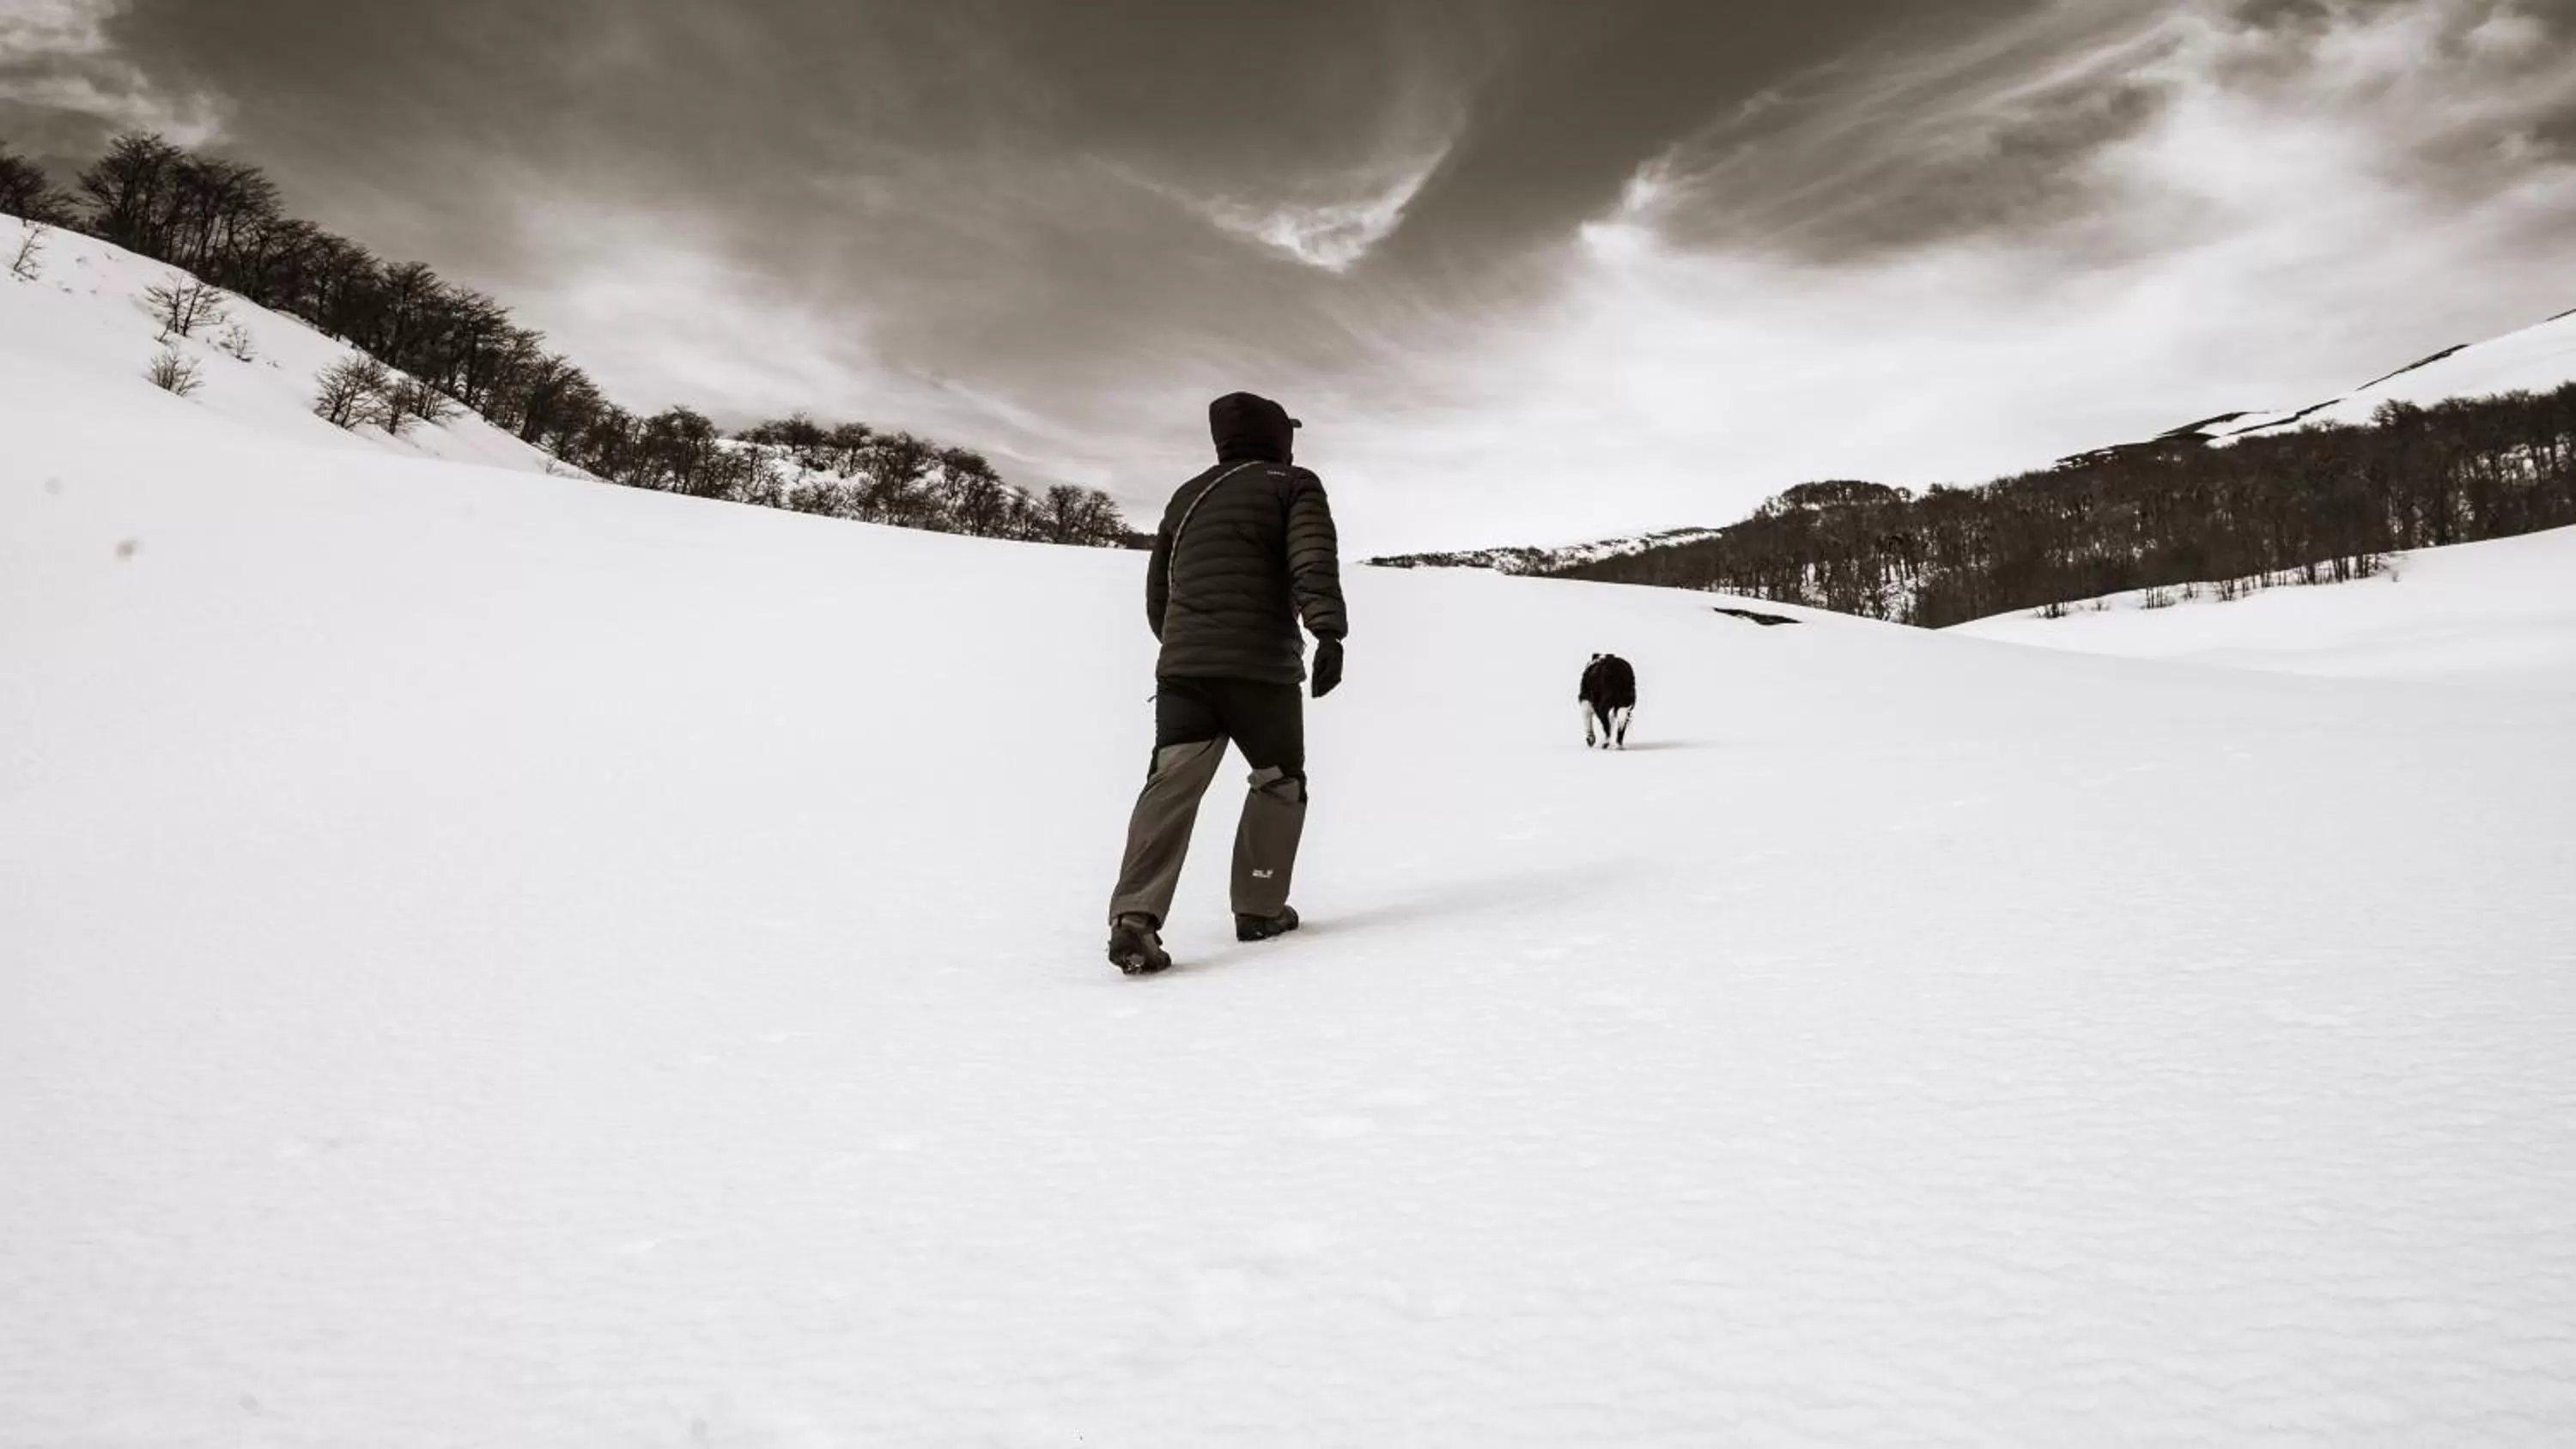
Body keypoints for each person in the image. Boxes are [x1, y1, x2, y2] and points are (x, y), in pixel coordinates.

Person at [1105, 391, 1347, 975]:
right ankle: (1260, 908)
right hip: (1259, 668)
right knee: (1279, 782)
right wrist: (1329, 633)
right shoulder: (1294, 483)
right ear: (1277, 437)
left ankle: (1134, 918)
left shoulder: (1186, 496)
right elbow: (1310, 560)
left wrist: (1188, 645)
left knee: (1169, 786)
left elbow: (1158, 593)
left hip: (1184, 668)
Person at [1580, 652, 1636, 749]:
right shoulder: (1623, 665)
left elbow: (1586, 693)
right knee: (1621, 709)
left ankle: (1592, 734)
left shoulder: (1590, 668)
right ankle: (1618, 740)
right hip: (1623, 693)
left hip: (1596, 693)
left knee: (1586, 709)